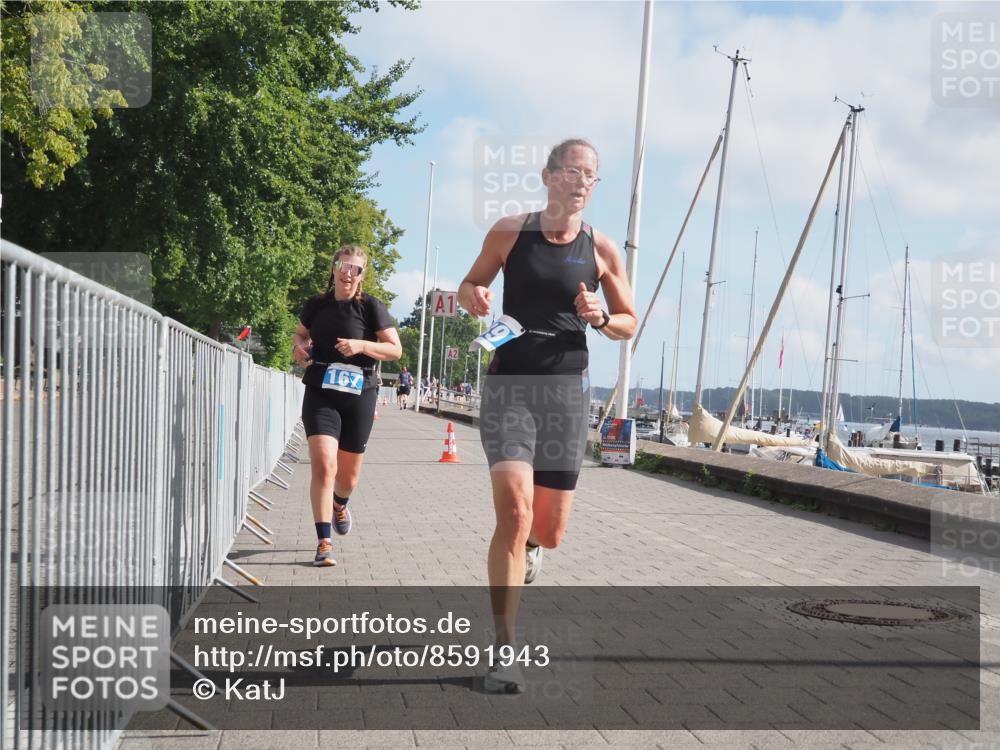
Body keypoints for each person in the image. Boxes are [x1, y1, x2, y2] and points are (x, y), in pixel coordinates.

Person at [458, 138, 637, 692]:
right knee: (513, 512)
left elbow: (631, 319)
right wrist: (476, 300)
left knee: (548, 530)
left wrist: (601, 318)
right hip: (510, 384)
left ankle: (533, 550)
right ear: (549, 174)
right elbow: (470, 284)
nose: (583, 181)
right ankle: (503, 651)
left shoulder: (601, 247)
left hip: (565, 391)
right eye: (575, 171)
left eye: (593, 175)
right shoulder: (511, 231)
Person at [292, 245, 402, 567]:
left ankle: (340, 504)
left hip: (360, 395)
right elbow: (300, 335)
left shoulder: (371, 308)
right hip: (320, 391)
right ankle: (323, 542)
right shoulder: (316, 305)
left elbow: (395, 350)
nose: (348, 273)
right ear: (334, 267)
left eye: (356, 269)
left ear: (362, 275)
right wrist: (299, 351)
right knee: (325, 465)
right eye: (343, 265)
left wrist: (361, 345)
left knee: (348, 478)